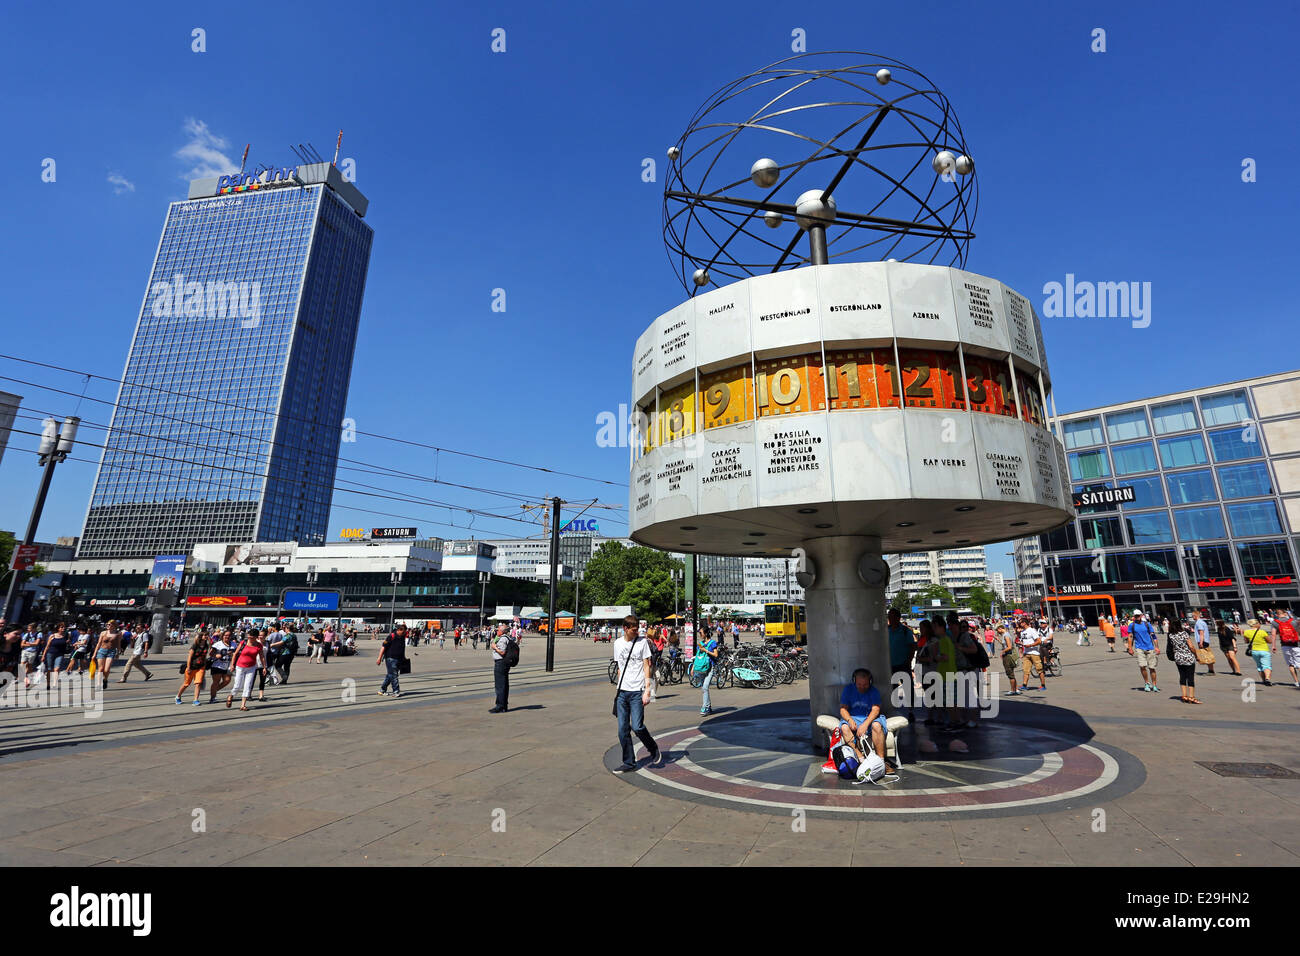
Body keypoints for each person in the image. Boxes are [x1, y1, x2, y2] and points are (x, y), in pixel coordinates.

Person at [611, 615, 660, 773]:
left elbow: (647, 666)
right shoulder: (617, 643)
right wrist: (618, 689)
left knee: (638, 726)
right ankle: (629, 762)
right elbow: (620, 667)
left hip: (638, 691)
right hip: (622, 691)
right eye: (634, 630)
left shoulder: (642, 642)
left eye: (637, 629)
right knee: (622, 730)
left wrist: (648, 691)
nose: (637, 632)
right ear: (625, 629)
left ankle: (652, 747)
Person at [839, 667, 896, 775]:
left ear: (870, 682)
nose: (862, 687)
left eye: (865, 685)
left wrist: (865, 724)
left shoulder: (874, 691)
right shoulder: (848, 689)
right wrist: (849, 720)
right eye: (859, 684)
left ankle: (881, 762)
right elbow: (843, 709)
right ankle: (861, 760)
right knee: (844, 727)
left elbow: (876, 709)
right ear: (854, 681)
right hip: (853, 717)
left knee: (877, 725)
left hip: (870, 718)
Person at [226, 629, 265, 711]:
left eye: (251, 636)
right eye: (249, 636)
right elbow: (235, 654)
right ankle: (231, 696)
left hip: (251, 667)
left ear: (255, 637)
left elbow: (261, 657)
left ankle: (243, 705)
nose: (249, 637)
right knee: (238, 685)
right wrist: (232, 665)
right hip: (240, 666)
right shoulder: (243, 642)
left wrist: (264, 667)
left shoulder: (259, 645)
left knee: (248, 685)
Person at [175, 628, 211, 705]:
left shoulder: (206, 645)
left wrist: (204, 666)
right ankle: (178, 696)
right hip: (192, 666)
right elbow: (189, 657)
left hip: (201, 667)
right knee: (186, 684)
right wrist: (188, 667)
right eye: (205, 635)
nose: (206, 636)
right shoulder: (195, 645)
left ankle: (195, 700)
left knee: (198, 683)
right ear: (201, 636)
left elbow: (206, 655)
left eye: (207, 635)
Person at [1126, 611, 1160, 693]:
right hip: (1139, 648)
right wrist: (1130, 648)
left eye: (1138, 615)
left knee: (1152, 667)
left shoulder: (1147, 624)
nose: (1137, 617)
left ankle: (1154, 685)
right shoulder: (1132, 625)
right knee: (1142, 666)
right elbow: (1130, 637)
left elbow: (1153, 636)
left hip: (1150, 648)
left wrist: (1157, 647)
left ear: (1141, 616)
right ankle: (1147, 683)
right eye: (1135, 616)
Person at [1170, 620, 1201, 704]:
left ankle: (1184, 695)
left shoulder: (1171, 635)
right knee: (1190, 677)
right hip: (1188, 657)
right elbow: (1191, 646)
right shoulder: (1184, 633)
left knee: (1182, 676)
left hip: (1178, 658)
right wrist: (1196, 655)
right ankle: (1191, 697)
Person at [1271, 609, 1300, 688]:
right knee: (1299, 664)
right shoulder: (1293, 621)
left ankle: (1296, 682)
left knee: (1291, 664)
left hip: (1284, 645)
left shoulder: (1275, 622)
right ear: (1285, 613)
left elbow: (1273, 635)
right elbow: (1298, 631)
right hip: (1296, 644)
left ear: (1277, 614)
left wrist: (1273, 646)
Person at [1242, 618, 1275, 686]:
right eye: (1259, 623)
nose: (1260, 624)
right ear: (1256, 624)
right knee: (1266, 666)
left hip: (1254, 651)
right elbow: (1269, 641)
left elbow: (1246, 641)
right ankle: (1267, 679)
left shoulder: (1246, 632)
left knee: (1259, 666)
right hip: (1264, 650)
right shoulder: (1262, 632)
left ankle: (1263, 680)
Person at [377, 624, 406, 699]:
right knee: (394, 675)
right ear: (398, 630)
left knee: (390, 675)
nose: (404, 634)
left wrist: (404, 657)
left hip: (399, 658)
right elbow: (383, 647)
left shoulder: (402, 636)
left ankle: (382, 690)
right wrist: (379, 658)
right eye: (402, 632)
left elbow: (402, 648)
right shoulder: (391, 636)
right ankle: (396, 691)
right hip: (390, 658)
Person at [697, 626, 722, 716]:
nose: (700, 635)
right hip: (702, 667)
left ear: (706, 633)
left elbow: (716, 655)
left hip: (710, 667)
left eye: (701, 633)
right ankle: (709, 706)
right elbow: (698, 656)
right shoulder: (700, 643)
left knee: (705, 687)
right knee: (704, 689)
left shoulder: (713, 643)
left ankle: (705, 707)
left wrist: (706, 651)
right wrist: (693, 668)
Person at [489, 626, 514, 712]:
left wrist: (494, 647)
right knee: (504, 684)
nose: (496, 631)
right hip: (504, 663)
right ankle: (504, 705)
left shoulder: (503, 639)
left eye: (498, 630)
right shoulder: (506, 637)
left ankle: (500, 706)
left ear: (502, 631)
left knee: (500, 685)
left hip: (501, 663)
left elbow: (502, 652)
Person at [1017, 618, 1046, 692]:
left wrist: (1030, 645)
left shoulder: (1032, 630)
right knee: (1025, 670)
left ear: (1025, 623)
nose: (1019, 624)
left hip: (1034, 653)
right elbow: (1023, 641)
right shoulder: (1022, 632)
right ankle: (1024, 685)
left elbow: (1039, 641)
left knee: (1039, 670)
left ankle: (1043, 685)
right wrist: (1020, 645)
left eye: (1021, 622)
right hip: (1026, 653)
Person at [93, 621, 123, 689]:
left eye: (109, 624)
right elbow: (99, 643)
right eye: (107, 624)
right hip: (101, 651)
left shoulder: (118, 633)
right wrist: (94, 654)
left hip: (111, 652)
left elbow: (118, 644)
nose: (108, 625)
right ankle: (98, 684)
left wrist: (118, 653)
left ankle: (105, 679)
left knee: (106, 670)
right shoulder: (103, 633)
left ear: (114, 626)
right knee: (100, 669)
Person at [40, 622, 70, 689]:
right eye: (61, 627)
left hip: (60, 654)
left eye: (64, 627)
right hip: (50, 653)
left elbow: (67, 645)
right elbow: (47, 646)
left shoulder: (66, 636)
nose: (63, 628)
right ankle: (48, 684)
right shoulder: (52, 636)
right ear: (58, 628)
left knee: (57, 669)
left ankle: (54, 684)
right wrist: (43, 655)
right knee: (49, 669)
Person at [207, 629, 233, 704]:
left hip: (227, 666)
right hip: (217, 665)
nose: (227, 637)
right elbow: (211, 653)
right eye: (226, 635)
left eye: (229, 635)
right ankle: (213, 697)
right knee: (216, 682)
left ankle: (214, 691)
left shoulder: (233, 644)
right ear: (222, 636)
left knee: (227, 680)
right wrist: (215, 655)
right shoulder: (218, 644)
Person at [998, 624, 1021, 696]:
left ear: (1000, 628)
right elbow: (1006, 644)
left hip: (1008, 656)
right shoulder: (1006, 635)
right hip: (1009, 655)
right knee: (1012, 673)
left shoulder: (1006, 635)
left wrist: (1002, 652)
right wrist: (998, 640)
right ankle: (1016, 689)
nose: (997, 632)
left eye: (997, 630)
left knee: (1010, 673)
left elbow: (1009, 647)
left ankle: (1012, 690)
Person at [1194, 609, 1215, 675]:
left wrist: (1200, 642)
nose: (1192, 617)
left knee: (1207, 656)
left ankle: (1211, 671)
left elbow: (1201, 633)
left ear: (1196, 616)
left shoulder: (1198, 623)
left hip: (1203, 641)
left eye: (1193, 616)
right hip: (1205, 640)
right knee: (1207, 655)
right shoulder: (1202, 622)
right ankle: (1211, 670)